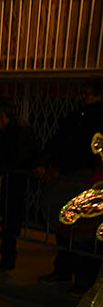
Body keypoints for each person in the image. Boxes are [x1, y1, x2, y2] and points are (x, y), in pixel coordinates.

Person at [39, 81, 103, 293]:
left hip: (86, 180)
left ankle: (84, 279)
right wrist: (51, 164)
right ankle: (64, 271)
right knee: (65, 228)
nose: (82, 97)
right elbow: (60, 142)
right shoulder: (77, 117)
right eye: (82, 93)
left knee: (85, 234)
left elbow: (85, 150)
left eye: (87, 93)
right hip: (69, 179)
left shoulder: (96, 118)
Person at [0, 97, 41, 272]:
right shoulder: (4, 130)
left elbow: (17, 157)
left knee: (11, 217)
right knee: (8, 217)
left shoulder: (17, 131)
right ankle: (7, 254)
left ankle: (8, 258)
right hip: (11, 179)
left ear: (1, 113)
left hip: (17, 180)